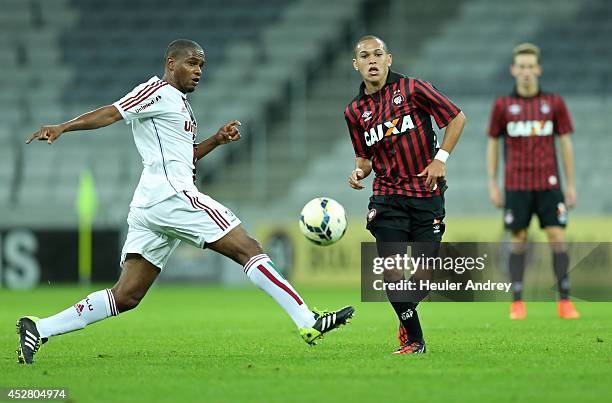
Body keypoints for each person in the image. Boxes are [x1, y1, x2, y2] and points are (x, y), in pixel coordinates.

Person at [17, 39, 354, 365]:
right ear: (171, 63)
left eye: (202, 65)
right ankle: (306, 320)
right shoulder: (157, 90)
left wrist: (217, 141)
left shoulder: (178, 104)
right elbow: (112, 113)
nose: (198, 71)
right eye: (191, 63)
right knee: (248, 248)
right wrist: (63, 126)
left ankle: (39, 328)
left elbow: (185, 157)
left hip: (153, 202)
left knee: (127, 295)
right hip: (171, 195)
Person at [345, 35, 465, 354]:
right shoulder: (355, 112)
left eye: (377, 54)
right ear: (356, 65)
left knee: (422, 283)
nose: (372, 60)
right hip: (387, 198)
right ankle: (415, 340)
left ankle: (406, 316)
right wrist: (359, 172)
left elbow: (456, 118)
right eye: (365, 56)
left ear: (389, 59)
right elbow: (365, 158)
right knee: (392, 271)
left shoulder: (413, 89)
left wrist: (440, 159)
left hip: (427, 194)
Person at [487, 43, 579, 320]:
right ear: (513, 70)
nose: (526, 72)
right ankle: (517, 301)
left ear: (538, 69)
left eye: (530, 66)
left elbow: (565, 144)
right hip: (516, 185)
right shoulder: (503, 106)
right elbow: (493, 143)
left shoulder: (554, 103)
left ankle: (564, 300)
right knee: (518, 239)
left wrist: (570, 184)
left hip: (549, 184)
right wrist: (493, 182)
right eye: (521, 67)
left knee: (557, 237)